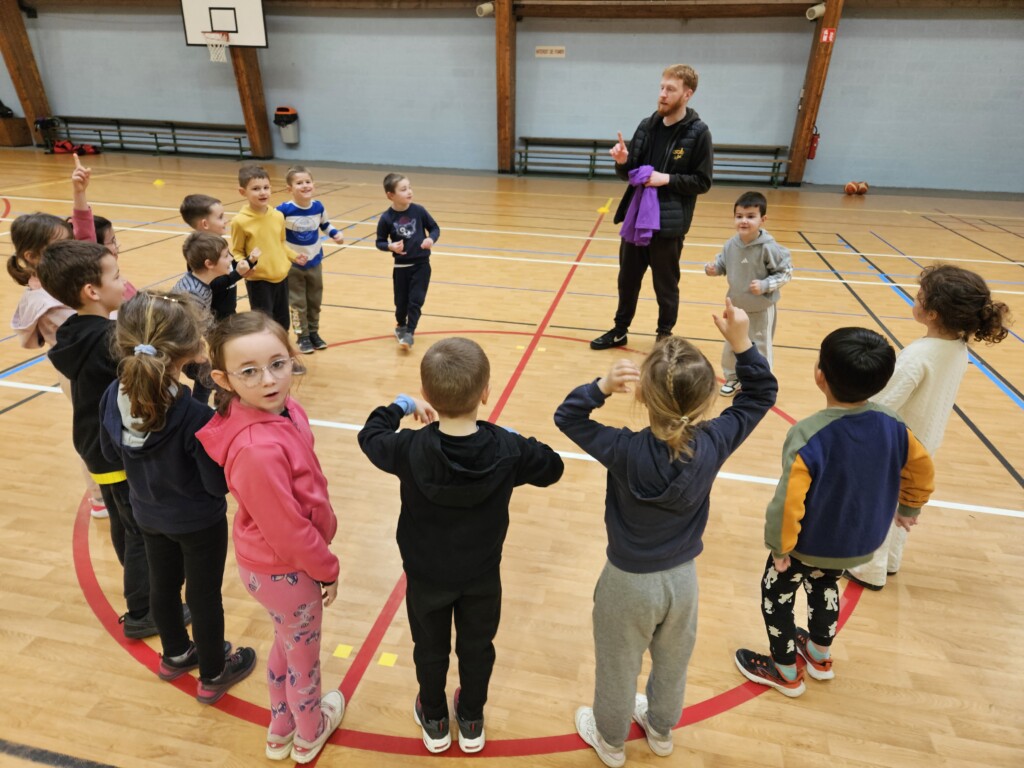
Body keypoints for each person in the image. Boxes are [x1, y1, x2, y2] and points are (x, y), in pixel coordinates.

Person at [556, 299, 777, 768]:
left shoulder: (623, 448)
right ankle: (660, 729)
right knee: (674, 660)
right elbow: (761, 395)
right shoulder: (714, 441)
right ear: (708, 398)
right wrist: (741, 343)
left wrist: (600, 387)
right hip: (682, 582)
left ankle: (611, 741)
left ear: (641, 396)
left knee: (618, 666)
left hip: (626, 583)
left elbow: (567, 418)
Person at [358, 337, 564, 754]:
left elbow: (371, 435)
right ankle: (470, 718)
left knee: (429, 648)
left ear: (428, 394)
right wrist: (512, 436)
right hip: (481, 575)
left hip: (426, 575)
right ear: (485, 393)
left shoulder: (408, 448)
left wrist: (401, 405)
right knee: (477, 648)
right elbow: (552, 467)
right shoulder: (507, 449)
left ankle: (434, 717)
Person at [734, 327, 935, 697]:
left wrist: (780, 546)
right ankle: (819, 655)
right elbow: (922, 468)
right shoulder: (894, 426)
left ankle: (784, 670)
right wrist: (910, 505)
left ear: (819, 375)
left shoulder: (808, 434)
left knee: (776, 594)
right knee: (825, 584)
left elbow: (788, 501)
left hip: (807, 543)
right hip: (857, 542)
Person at [198, 312, 344, 764]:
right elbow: (288, 531)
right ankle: (309, 732)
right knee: (304, 658)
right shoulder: (256, 450)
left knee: (288, 641)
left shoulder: (284, 409)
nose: (268, 380)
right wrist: (327, 568)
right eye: (249, 372)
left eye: (278, 364)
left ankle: (281, 728)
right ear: (223, 379)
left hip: (280, 566)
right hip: (288, 570)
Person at [99, 291, 257, 702]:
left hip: (147, 514)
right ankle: (214, 671)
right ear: (188, 350)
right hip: (198, 522)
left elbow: (110, 452)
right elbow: (215, 484)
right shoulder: (195, 416)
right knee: (203, 596)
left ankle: (174, 655)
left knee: (163, 585)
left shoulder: (113, 394)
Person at [844, 266, 1010, 591]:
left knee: (877, 504)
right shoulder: (957, 347)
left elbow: (883, 403)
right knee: (899, 499)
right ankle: (890, 561)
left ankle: (869, 570)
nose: (915, 299)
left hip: (894, 444)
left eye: (919, 297)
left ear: (932, 313)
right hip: (923, 440)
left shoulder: (918, 356)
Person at [37, 239, 167, 639]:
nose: (123, 282)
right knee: (140, 531)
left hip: (96, 448)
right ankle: (144, 610)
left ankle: (143, 596)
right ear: (92, 291)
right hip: (117, 449)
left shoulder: (73, 331)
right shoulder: (110, 339)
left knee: (125, 524)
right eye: (116, 276)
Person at [591, 64, 713, 351]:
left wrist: (666, 179)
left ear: (687, 94)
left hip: (668, 225)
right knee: (627, 279)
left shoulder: (698, 133)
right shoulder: (647, 126)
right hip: (636, 219)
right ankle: (620, 330)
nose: (663, 94)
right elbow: (630, 173)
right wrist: (622, 162)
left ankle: (664, 334)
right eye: (661, 88)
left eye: (670, 89)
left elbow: (702, 181)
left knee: (665, 284)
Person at [704, 191, 792, 396]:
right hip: (736, 306)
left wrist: (765, 284)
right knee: (732, 343)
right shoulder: (731, 244)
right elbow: (721, 264)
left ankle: (761, 383)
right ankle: (733, 377)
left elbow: (785, 272)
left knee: (759, 347)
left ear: (763, 219)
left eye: (750, 216)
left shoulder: (769, 247)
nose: (744, 221)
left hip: (761, 308)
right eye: (739, 216)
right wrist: (712, 269)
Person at [173, 232, 257, 403]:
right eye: (226, 256)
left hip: (184, 342)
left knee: (207, 378)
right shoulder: (193, 294)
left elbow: (204, 320)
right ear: (209, 264)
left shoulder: (202, 284)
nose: (231, 259)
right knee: (208, 377)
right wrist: (196, 351)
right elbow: (186, 327)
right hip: (175, 346)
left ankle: (206, 407)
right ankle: (203, 409)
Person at [278, 166, 344, 354]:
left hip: (314, 261)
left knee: (315, 300)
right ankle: (302, 336)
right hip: (293, 265)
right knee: (298, 303)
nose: (305, 185)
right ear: (289, 189)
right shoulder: (283, 210)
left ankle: (314, 332)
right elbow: (273, 230)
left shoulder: (318, 207)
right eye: (299, 183)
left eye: (307, 182)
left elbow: (325, 224)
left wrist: (335, 233)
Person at [230, 165, 305, 331]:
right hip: (259, 281)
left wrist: (293, 256)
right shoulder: (239, 221)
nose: (262, 192)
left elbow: (281, 243)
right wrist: (243, 264)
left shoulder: (278, 216)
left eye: (266, 187)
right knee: (264, 325)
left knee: (283, 324)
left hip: (281, 277)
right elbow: (237, 251)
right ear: (243, 192)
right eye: (256, 189)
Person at [375, 173, 440, 350]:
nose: (409, 191)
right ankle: (401, 325)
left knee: (416, 300)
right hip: (401, 267)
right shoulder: (386, 218)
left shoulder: (419, 211)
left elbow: (434, 228)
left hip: (421, 265)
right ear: (391, 195)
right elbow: (379, 242)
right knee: (401, 303)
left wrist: (431, 239)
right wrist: (390, 246)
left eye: (409, 187)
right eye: (403, 189)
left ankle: (409, 332)